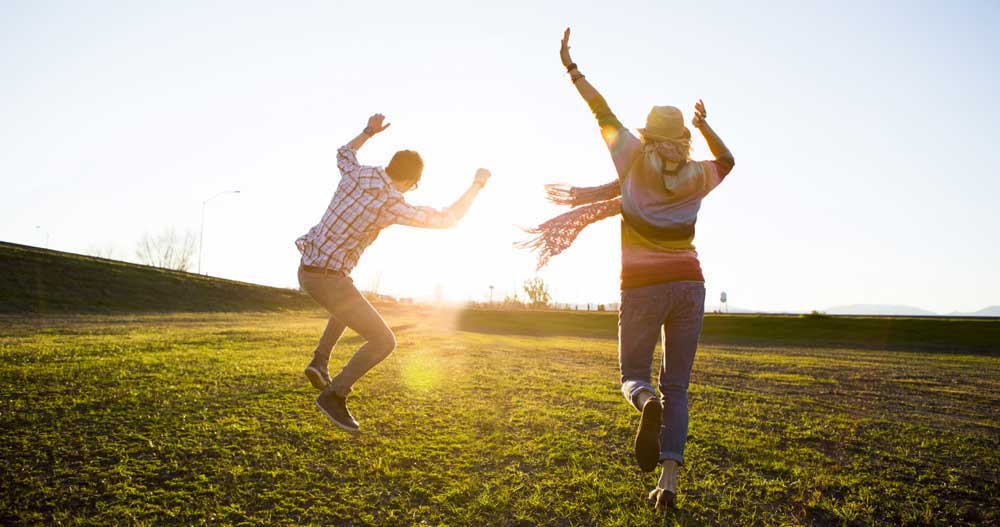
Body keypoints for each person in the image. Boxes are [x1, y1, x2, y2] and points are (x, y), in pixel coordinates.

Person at [518, 29, 734, 510]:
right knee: (678, 384)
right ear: (681, 135)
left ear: (648, 132)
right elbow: (728, 160)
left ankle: (645, 404)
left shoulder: (632, 156)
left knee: (633, 374)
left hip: (641, 287)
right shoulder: (699, 173)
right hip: (690, 285)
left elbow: (601, 109)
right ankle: (669, 483)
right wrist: (704, 127)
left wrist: (571, 68)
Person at [296, 113, 491, 432]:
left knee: (348, 303)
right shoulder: (391, 202)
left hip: (308, 269)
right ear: (411, 182)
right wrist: (477, 185)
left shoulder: (357, 174)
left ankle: (320, 360)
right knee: (384, 341)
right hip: (328, 279)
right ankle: (334, 394)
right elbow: (446, 220)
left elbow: (343, 152)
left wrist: (368, 132)